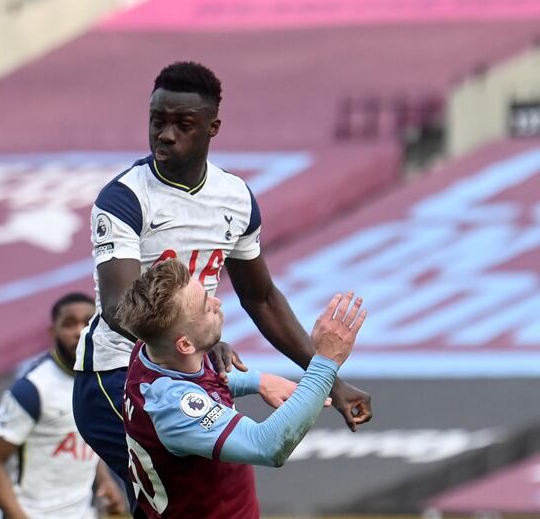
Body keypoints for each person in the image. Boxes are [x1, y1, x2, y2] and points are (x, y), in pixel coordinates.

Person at [72, 60, 373, 496]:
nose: (165, 134)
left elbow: (262, 298)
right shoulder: (125, 199)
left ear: (213, 127)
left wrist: (335, 382)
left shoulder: (235, 199)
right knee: (199, 498)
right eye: (157, 121)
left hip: (185, 364)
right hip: (118, 375)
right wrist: (194, 334)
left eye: (183, 124)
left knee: (205, 498)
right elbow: (121, 308)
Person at [119, 259, 366, 517]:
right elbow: (268, 446)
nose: (218, 304)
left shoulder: (152, 350)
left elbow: (200, 377)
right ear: (185, 345)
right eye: (206, 308)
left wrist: (256, 381)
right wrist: (326, 362)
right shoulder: (173, 406)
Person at [0, 292, 126, 519]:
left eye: (87, 322)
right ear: (52, 332)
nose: (79, 331)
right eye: (69, 324)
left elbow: (83, 437)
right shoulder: (32, 389)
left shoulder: (99, 379)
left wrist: (105, 481)